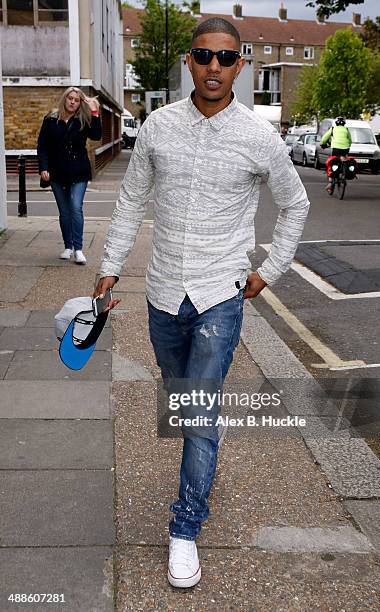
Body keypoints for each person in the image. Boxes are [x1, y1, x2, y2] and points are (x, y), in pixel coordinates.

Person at [94, 18, 310, 588]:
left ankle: (185, 528)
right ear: (188, 62)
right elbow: (129, 202)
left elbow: (295, 204)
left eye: (226, 57)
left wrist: (269, 271)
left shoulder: (260, 137)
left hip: (221, 296)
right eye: (202, 55)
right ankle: (194, 473)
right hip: (163, 293)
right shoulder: (159, 128)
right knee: (180, 401)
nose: (214, 66)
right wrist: (110, 268)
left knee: (198, 414)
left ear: (241, 65)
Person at [37, 86, 102, 264]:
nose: (72, 102)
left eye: (76, 99)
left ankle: (78, 249)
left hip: (78, 171)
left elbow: (97, 135)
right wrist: (43, 167)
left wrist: (94, 111)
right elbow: (42, 146)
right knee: (64, 212)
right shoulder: (51, 120)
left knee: (75, 207)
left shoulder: (82, 119)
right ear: (65, 99)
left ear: (80, 102)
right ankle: (68, 246)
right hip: (57, 172)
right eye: (70, 98)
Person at [321, 117, 352, 194]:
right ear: (344, 124)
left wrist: (323, 144)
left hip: (336, 149)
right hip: (345, 149)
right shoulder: (346, 129)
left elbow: (324, 138)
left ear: (336, 123)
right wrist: (347, 146)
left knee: (332, 163)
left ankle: (331, 182)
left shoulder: (333, 129)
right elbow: (350, 141)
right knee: (343, 159)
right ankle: (343, 173)